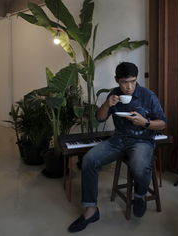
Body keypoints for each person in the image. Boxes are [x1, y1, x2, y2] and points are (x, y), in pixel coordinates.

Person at [68, 62, 166, 233]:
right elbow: (99, 119)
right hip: (118, 140)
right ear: (117, 81)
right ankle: (91, 211)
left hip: (142, 140)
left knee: (138, 165)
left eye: (132, 81)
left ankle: (140, 195)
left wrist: (145, 122)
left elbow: (162, 124)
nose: (128, 87)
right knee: (89, 160)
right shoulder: (113, 94)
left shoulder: (148, 96)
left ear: (137, 79)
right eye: (124, 82)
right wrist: (107, 104)